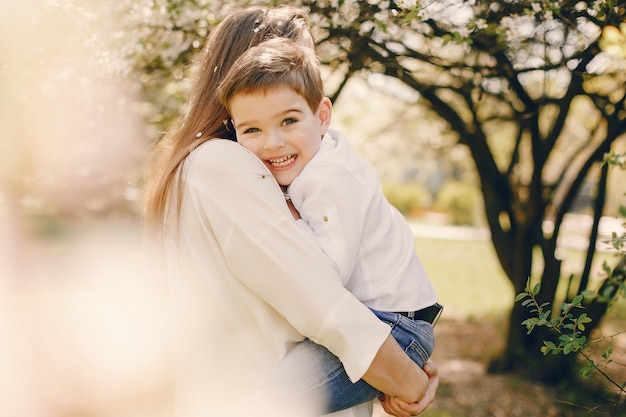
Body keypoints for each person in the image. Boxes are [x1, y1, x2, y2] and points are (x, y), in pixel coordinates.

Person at [142, 6, 439, 417]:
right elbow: (324, 301)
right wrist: (409, 381)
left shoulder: (209, 166)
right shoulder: (223, 164)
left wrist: (399, 367)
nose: (275, 141)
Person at [217, 36, 442, 413]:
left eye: (288, 121)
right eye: (251, 130)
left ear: (322, 116)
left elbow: (322, 273)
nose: (272, 142)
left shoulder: (330, 179)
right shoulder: (320, 164)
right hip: (379, 323)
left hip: (394, 329)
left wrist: (283, 214)